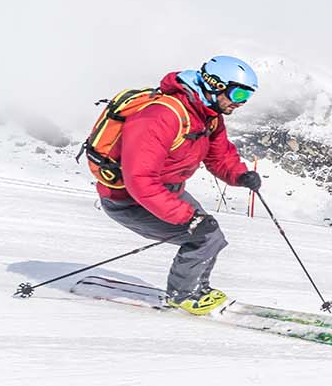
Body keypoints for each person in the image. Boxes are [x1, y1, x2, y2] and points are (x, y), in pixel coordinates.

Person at [95, 56, 263, 314]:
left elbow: (219, 155)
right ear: (214, 84)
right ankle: (184, 295)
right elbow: (139, 179)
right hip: (129, 199)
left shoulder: (209, 115)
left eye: (247, 97)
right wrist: (187, 216)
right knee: (205, 236)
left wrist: (239, 175)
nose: (240, 103)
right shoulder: (162, 116)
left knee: (211, 235)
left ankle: (197, 288)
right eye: (238, 94)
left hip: (167, 192)